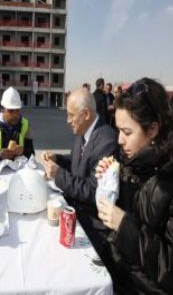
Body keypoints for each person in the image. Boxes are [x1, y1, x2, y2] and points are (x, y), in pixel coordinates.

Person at [95, 78, 173, 294]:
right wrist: (109, 180)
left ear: (153, 129)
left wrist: (124, 227)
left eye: (127, 132)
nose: (119, 141)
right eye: (118, 130)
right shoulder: (138, 162)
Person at [40, 87, 118, 237]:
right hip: (74, 209)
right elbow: (76, 162)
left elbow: (93, 191)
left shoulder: (107, 142)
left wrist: (58, 175)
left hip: (91, 226)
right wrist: (57, 159)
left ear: (86, 114)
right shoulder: (84, 130)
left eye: (71, 115)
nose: (68, 120)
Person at [0, 86, 35, 160]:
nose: (15, 115)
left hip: (20, 170)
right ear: (3, 110)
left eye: (17, 111)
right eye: (10, 111)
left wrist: (23, 151)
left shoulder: (25, 125)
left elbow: (31, 155)